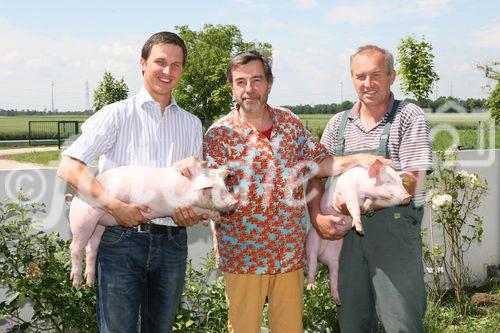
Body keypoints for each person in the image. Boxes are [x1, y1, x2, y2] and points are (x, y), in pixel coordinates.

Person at [203, 49, 387, 333]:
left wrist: (359, 159)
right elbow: (211, 194)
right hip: (242, 255)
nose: (249, 89)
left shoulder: (289, 123)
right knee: (243, 328)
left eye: (256, 80)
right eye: (241, 82)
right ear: (232, 86)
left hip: (287, 252)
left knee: (289, 328)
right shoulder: (219, 134)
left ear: (269, 84)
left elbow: (320, 163)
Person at [57, 31, 205, 333]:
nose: (168, 71)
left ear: (182, 70)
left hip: (173, 243)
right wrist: (114, 206)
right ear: (142, 63)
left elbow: (192, 189)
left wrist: (191, 214)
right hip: (121, 242)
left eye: (176, 65)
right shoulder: (116, 115)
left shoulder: (192, 124)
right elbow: (69, 167)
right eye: (160, 62)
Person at [308, 45, 433, 332]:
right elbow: (316, 174)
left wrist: (361, 204)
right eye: (360, 76)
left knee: (401, 321)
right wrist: (317, 216)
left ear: (392, 76)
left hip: (394, 234)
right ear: (352, 79)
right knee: (352, 321)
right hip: (346, 239)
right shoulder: (337, 124)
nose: (368, 83)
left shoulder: (408, 116)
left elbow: (413, 180)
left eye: (376, 75)